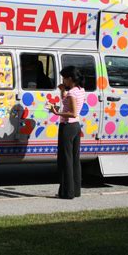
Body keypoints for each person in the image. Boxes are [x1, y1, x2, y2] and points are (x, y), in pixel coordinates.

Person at [50, 66, 85, 199]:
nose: (63, 80)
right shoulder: (80, 90)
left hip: (67, 126)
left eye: (64, 78)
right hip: (76, 126)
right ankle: (75, 190)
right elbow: (68, 102)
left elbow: (72, 112)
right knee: (75, 159)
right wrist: (63, 90)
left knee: (66, 160)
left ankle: (67, 192)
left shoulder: (72, 93)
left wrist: (56, 112)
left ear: (70, 79)